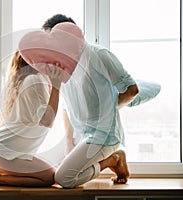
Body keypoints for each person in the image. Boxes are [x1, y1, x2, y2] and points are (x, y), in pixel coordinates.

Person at [41, 14, 139, 188]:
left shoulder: (99, 55)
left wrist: (108, 110)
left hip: (104, 135)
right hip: (82, 135)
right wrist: (69, 142)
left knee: (64, 178)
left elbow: (132, 90)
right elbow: (66, 106)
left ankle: (113, 160)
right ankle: (111, 160)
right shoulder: (62, 64)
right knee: (49, 172)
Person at [0, 51, 63, 187]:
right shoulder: (35, 80)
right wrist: (56, 86)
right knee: (49, 177)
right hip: (0, 152)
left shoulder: (30, 80)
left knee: (49, 175)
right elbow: (46, 120)